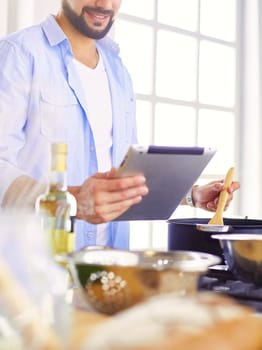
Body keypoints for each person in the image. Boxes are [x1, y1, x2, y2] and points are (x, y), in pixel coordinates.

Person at [0, 0, 240, 250]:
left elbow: (124, 179)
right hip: (34, 272)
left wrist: (192, 195)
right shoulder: (18, 54)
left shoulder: (118, 72)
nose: (104, 3)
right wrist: (69, 201)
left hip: (110, 268)